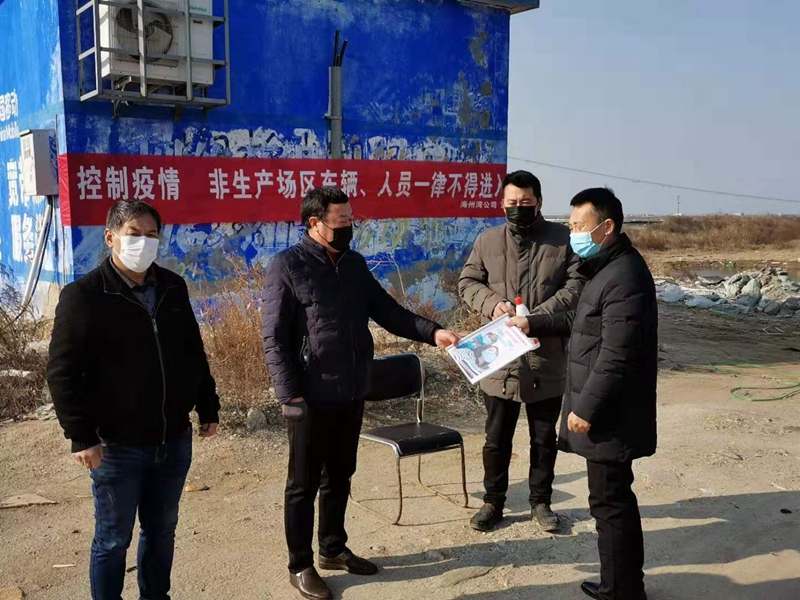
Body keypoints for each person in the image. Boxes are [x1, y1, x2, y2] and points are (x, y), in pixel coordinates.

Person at [261, 186, 459, 600]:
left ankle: (332, 548)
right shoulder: (288, 266)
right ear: (315, 224)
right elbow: (274, 339)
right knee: (302, 485)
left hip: (351, 391)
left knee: (340, 475)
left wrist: (433, 332)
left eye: (352, 219)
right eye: (342, 221)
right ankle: (300, 565)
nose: (350, 227)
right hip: (309, 396)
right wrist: (289, 395)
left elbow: (388, 312)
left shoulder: (353, 265)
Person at [47, 200, 220, 600]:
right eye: (134, 234)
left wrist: (207, 404)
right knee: (112, 539)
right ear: (111, 238)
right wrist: (81, 435)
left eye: (151, 235)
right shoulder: (84, 296)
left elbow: (192, 352)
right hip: (116, 446)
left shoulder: (172, 287)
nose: (143, 242)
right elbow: (62, 373)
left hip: (172, 438)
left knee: (162, 531)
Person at [509, 187, 658, 600]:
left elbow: (616, 354)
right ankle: (621, 585)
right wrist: (533, 323)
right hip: (609, 410)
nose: (573, 234)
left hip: (611, 414)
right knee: (609, 502)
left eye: (579, 227)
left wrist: (586, 408)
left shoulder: (624, 276)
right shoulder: (606, 268)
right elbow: (582, 317)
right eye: (571, 225)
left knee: (610, 504)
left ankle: (622, 591)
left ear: (606, 227)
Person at [459, 170, 583, 533]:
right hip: (500, 358)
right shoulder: (487, 240)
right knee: (496, 439)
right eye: (512, 202)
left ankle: (540, 502)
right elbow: (468, 282)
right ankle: (493, 502)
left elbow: (577, 285)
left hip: (546, 356)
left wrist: (535, 318)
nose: (518, 208)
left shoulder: (563, 240)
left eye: (525, 202)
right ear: (502, 204)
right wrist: (493, 304)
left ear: (539, 202)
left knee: (543, 438)